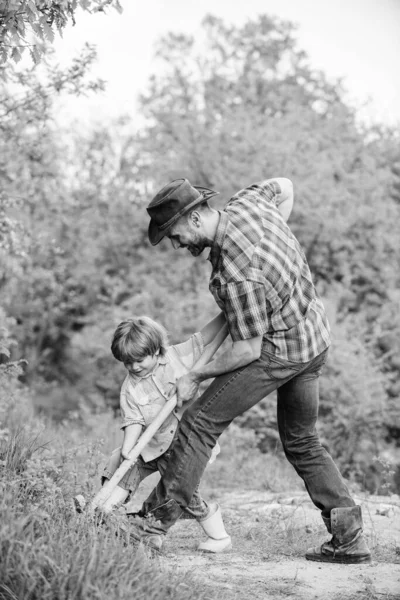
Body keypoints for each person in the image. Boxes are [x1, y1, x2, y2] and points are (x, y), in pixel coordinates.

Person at [125, 177, 371, 564]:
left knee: (198, 422)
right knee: (303, 441)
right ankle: (349, 538)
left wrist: (194, 375)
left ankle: (150, 526)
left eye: (173, 236)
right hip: (314, 338)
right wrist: (277, 242)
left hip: (280, 351)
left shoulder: (237, 274)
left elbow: (247, 348)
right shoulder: (249, 204)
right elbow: (286, 185)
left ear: (192, 220)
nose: (176, 245)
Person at [74, 315, 232, 553]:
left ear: (157, 351)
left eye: (138, 360)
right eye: (127, 363)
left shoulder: (178, 357)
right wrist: (129, 447)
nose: (134, 367)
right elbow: (134, 419)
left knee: (182, 494)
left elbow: (204, 337)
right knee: (122, 463)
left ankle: (218, 537)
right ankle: (102, 510)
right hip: (151, 445)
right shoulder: (130, 388)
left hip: (184, 447)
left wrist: (228, 314)